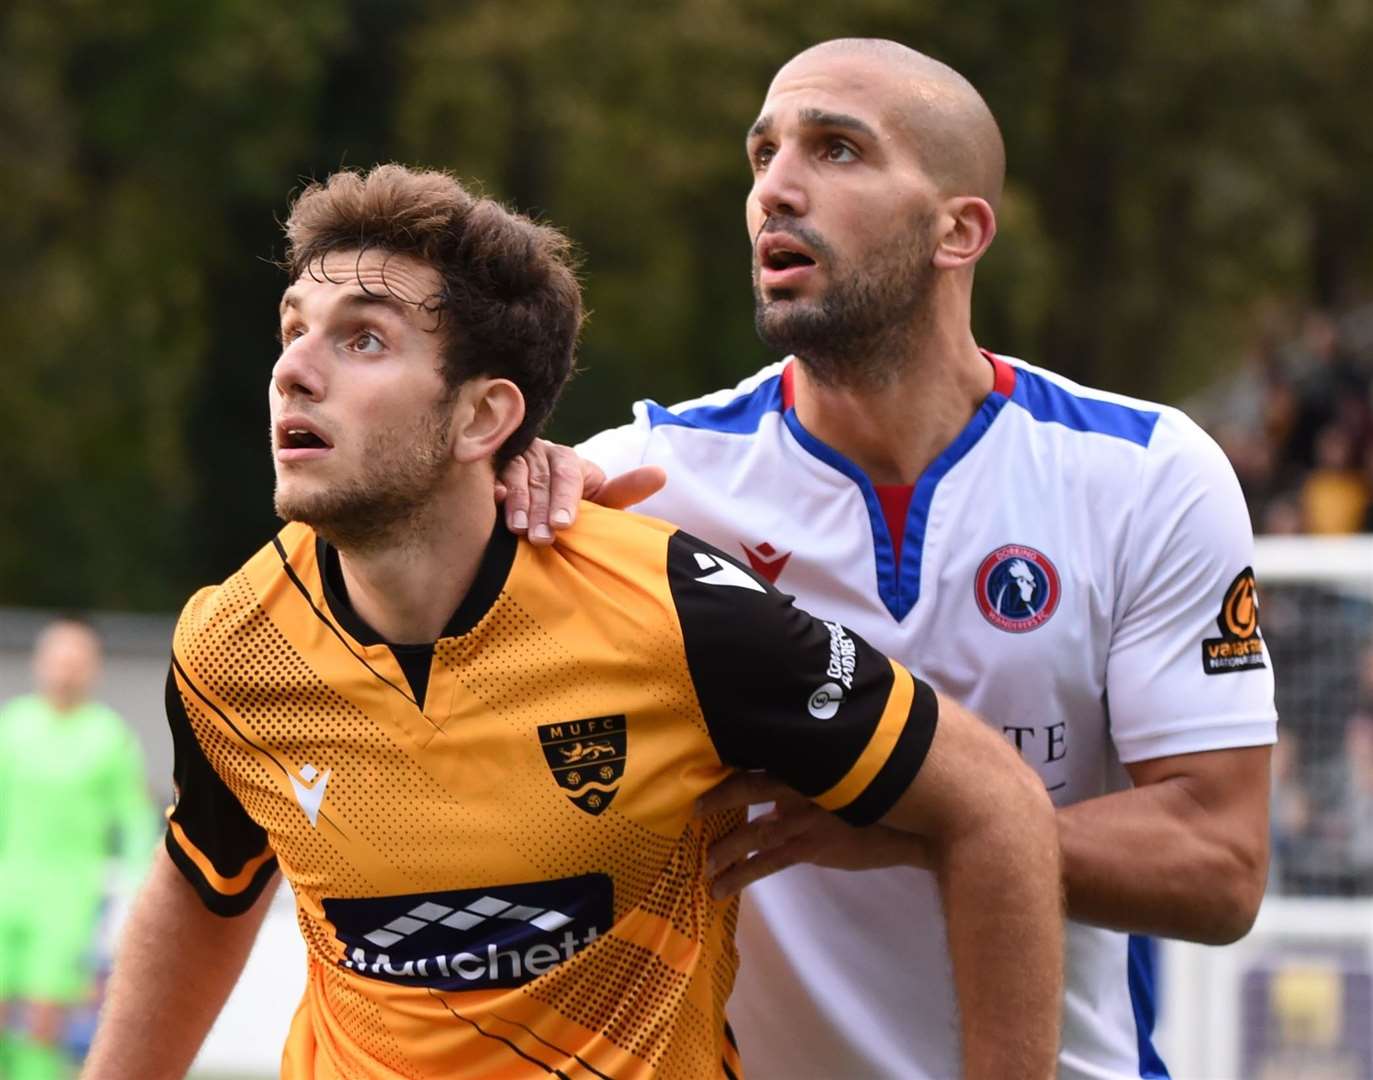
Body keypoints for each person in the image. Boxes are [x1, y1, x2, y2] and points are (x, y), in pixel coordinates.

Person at [81, 164, 1063, 1080]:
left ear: (481, 419)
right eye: (294, 327)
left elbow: (997, 807)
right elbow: (205, 880)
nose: (294, 369)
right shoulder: (231, 645)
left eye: (363, 337)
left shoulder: (674, 615)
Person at [500, 38, 1278, 1080]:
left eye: (835, 151)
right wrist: (504, 488)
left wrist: (918, 820)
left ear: (958, 230)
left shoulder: (1144, 471)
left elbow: (1218, 866)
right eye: (763, 154)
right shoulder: (645, 480)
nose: (775, 188)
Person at [0, 619, 157, 1080]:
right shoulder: (12, 725)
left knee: (46, 1013)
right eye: (58, 660)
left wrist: (132, 886)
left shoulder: (109, 736)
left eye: (76, 662)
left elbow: (132, 816)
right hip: (8, 881)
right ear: (40, 663)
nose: (65, 671)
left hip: (69, 893)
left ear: (93, 669)